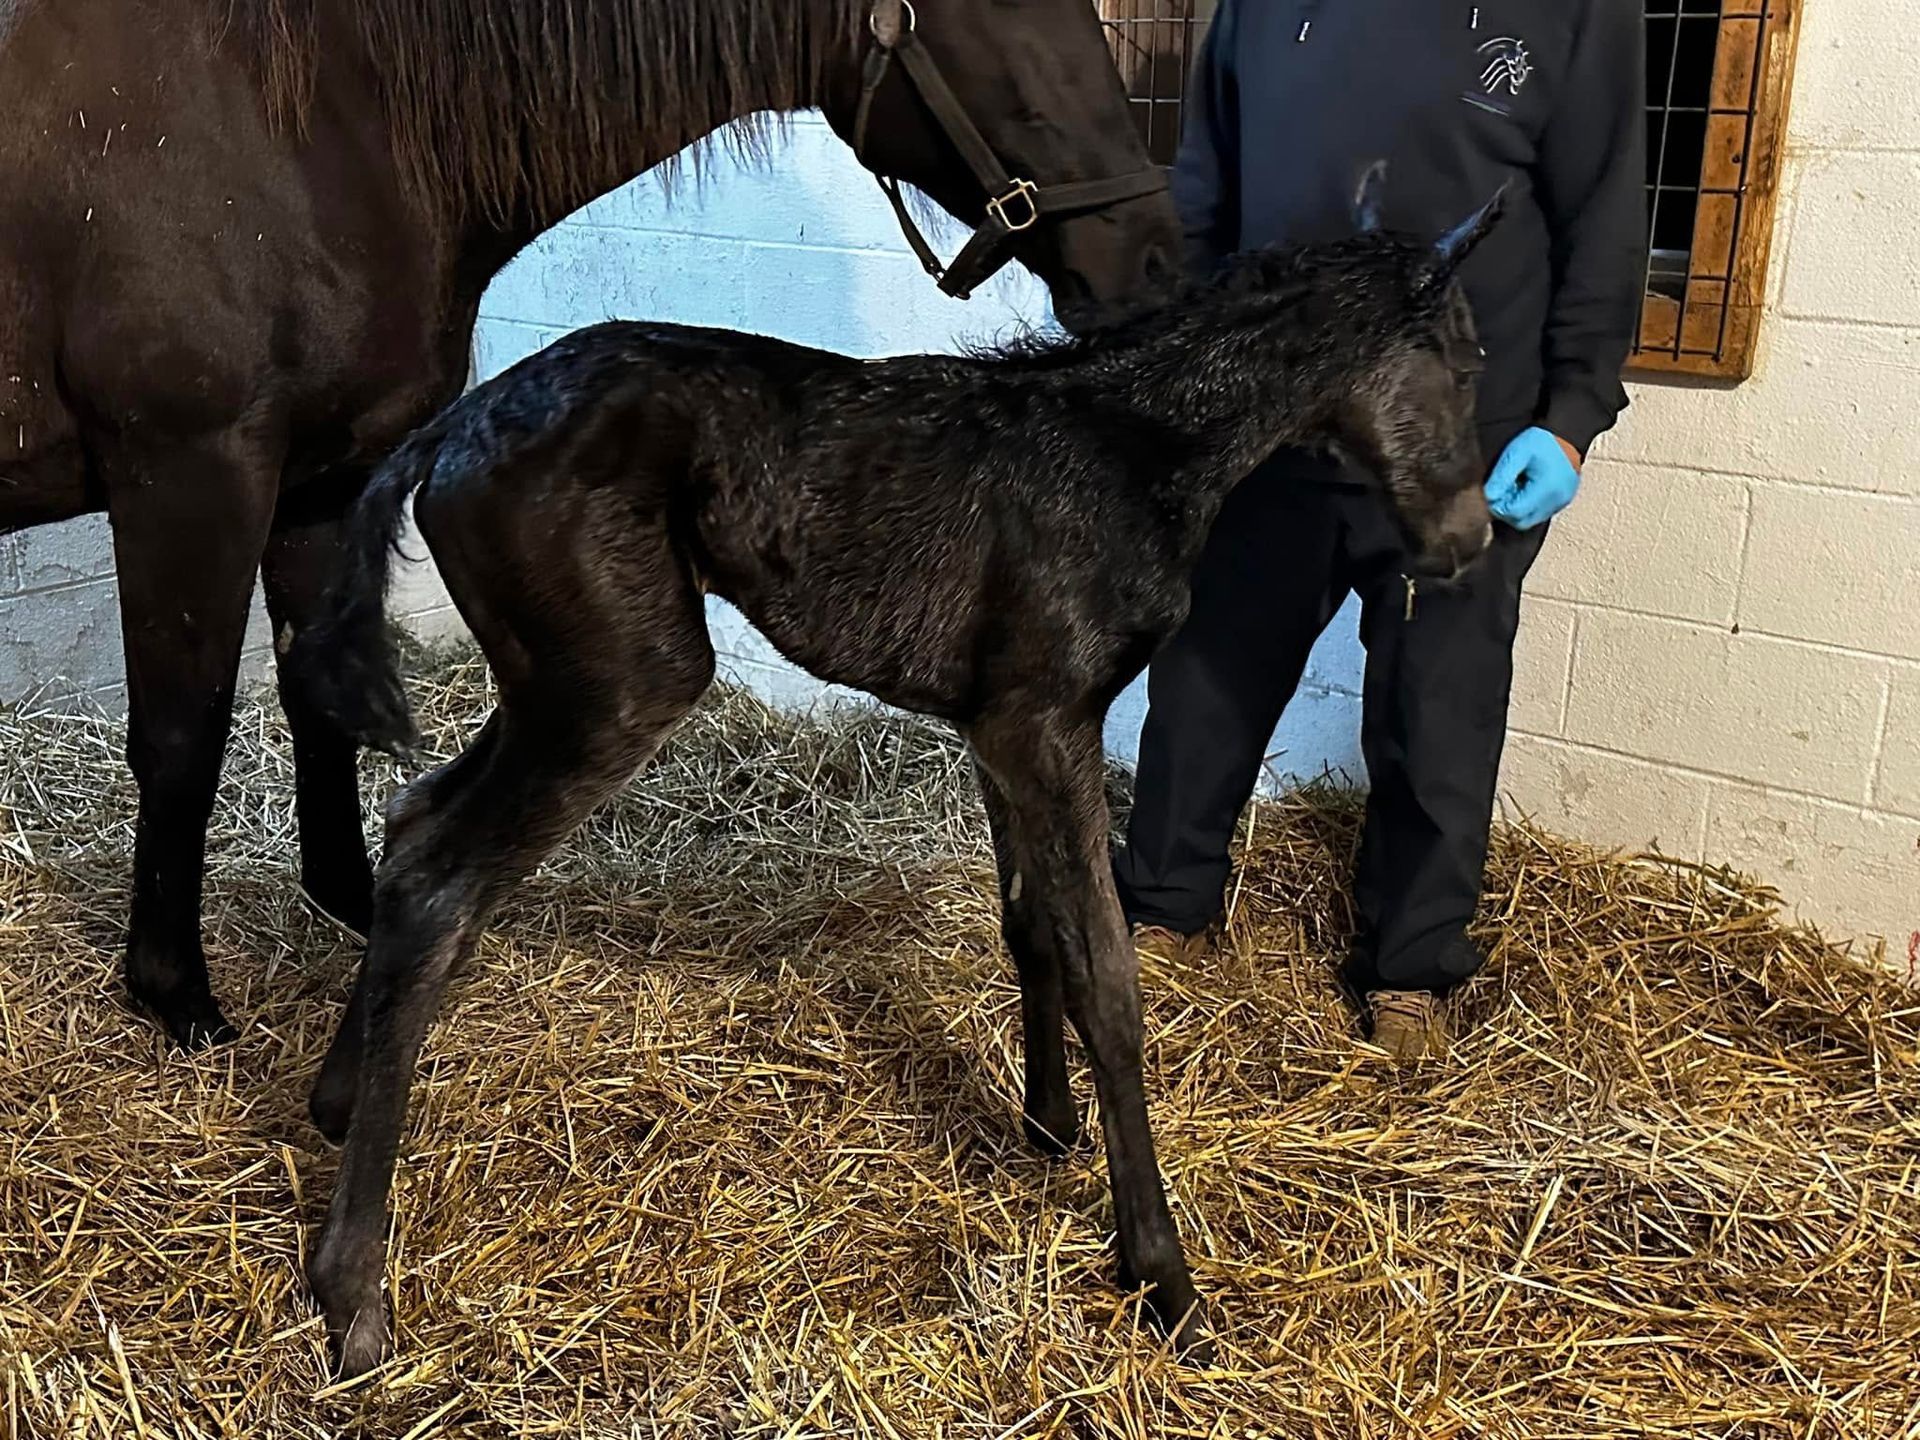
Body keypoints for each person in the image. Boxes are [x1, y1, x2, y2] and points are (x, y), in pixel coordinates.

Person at [1112, 0, 1647, 1061]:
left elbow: (1604, 216)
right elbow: (1206, 192)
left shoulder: (1579, 11)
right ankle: (1164, 909)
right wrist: (1180, 367)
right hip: (1272, 420)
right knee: (1206, 681)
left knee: (1436, 707)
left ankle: (1411, 970)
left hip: (1459, 443)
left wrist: (1573, 416)